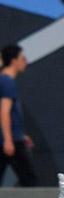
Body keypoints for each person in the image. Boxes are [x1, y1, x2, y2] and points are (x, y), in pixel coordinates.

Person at [0, 45, 39, 187]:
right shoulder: (7, 82)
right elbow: (4, 111)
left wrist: (20, 135)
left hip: (11, 139)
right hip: (11, 142)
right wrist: (9, 140)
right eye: (22, 58)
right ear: (13, 60)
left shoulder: (4, 81)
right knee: (30, 181)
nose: (25, 62)